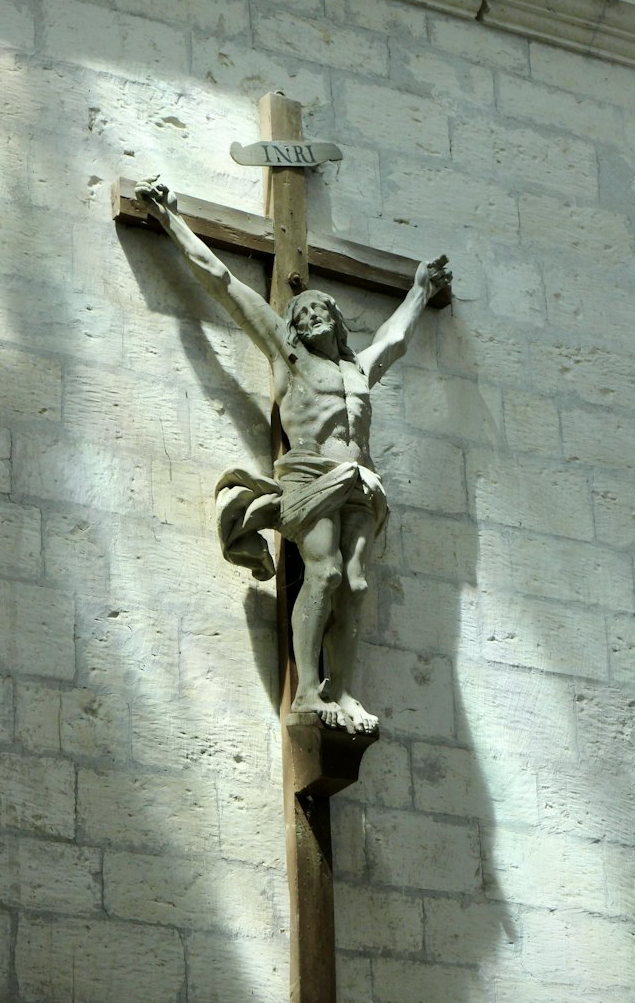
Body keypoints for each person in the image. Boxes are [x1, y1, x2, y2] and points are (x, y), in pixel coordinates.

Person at [136, 177, 451, 734]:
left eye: (317, 312)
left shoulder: (359, 368)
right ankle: (307, 693)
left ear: (336, 319)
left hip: (361, 483)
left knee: (355, 585)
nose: (308, 319)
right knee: (324, 572)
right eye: (300, 317)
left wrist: (421, 289)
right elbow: (225, 284)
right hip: (310, 476)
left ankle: (343, 691)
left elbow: (397, 338)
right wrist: (171, 221)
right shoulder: (290, 359)